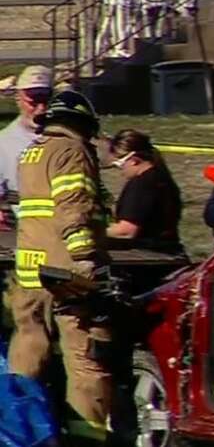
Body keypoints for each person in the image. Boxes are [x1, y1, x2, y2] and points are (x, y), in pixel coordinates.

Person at [7, 90, 113, 446]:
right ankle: (86, 439)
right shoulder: (72, 151)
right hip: (66, 275)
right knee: (86, 361)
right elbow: (74, 207)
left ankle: (21, 432)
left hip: (29, 272)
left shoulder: (30, 153)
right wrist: (86, 261)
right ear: (82, 123)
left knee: (27, 353)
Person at [106, 129, 183, 251]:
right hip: (168, 251)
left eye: (119, 164)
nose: (119, 170)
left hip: (147, 257)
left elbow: (126, 231)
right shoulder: (160, 178)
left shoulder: (142, 185)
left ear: (134, 160)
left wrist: (90, 230)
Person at [0, 65, 52, 194]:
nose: (41, 109)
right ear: (18, 98)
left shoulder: (68, 136)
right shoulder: (3, 143)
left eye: (45, 100)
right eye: (33, 101)